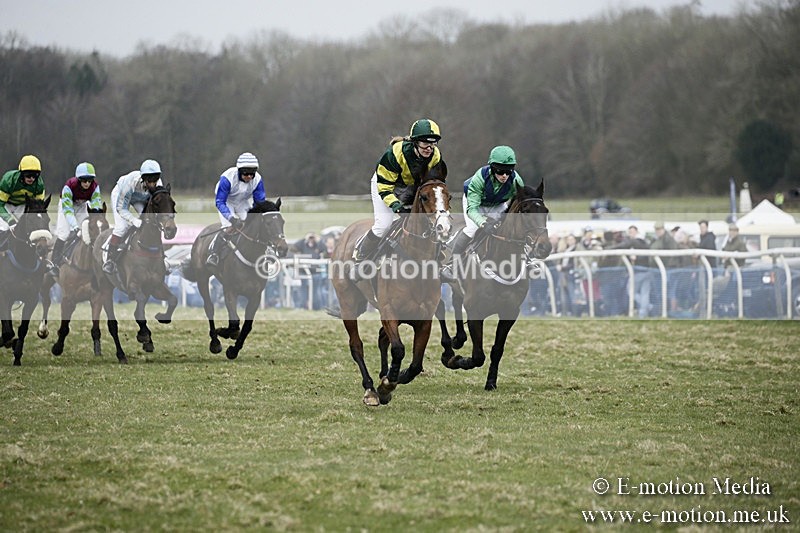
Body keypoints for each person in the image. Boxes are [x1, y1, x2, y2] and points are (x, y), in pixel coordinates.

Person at [353, 118, 444, 262]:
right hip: (385, 185)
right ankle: (360, 255)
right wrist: (397, 206)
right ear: (415, 142)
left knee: (433, 222)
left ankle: (440, 262)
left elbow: (431, 184)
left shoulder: (435, 156)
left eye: (433, 144)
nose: (429, 148)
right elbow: (385, 188)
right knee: (383, 224)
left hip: (409, 186)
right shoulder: (395, 154)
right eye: (425, 143)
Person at [441, 145, 523, 281]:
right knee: (472, 228)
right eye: (500, 171)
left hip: (497, 204)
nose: (504, 176)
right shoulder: (480, 179)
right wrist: (483, 223)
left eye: (508, 171)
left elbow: (519, 202)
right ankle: (451, 266)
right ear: (492, 168)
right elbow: (472, 210)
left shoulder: (516, 180)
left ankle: (527, 259)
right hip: (475, 203)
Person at [102, 159, 164, 274]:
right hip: (121, 195)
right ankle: (110, 260)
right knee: (122, 226)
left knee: (151, 222)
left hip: (139, 198)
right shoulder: (130, 183)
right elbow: (121, 208)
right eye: (149, 180)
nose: (152, 184)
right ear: (143, 178)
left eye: (155, 180)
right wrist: (133, 220)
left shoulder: (159, 184)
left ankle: (162, 258)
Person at [206, 152, 266, 267]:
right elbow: (220, 202)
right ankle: (214, 254)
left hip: (242, 201)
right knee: (229, 228)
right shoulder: (227, 178)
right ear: (239, 171)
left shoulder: (257, 179)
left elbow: (260, 203)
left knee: (255, 224)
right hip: (226, 201)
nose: (249, 177)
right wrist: (231, 218)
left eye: (251, 174)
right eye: (246, 173)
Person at [50, 162, 104, 274]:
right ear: (78, 179)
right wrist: (75, 227)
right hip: (66, 206)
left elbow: (95, 206)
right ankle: (54, 264)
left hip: (82, 206)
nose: (87, 183)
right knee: (64, 233)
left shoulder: (95, 187)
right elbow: (68, 210)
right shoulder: (69, 186)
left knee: (86, 232)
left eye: (90, 180)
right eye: (84, 180)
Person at [0, 155, 47, 251]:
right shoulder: (8, 180)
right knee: (4, 228)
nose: (31, 178)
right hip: (5, 205)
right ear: (21, 173)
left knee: (30, 228)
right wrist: (9, 220)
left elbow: (38, 208)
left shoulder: (39, 185)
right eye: (28, 175)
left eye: (35, 176)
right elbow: (0, 204)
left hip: (22, 206)